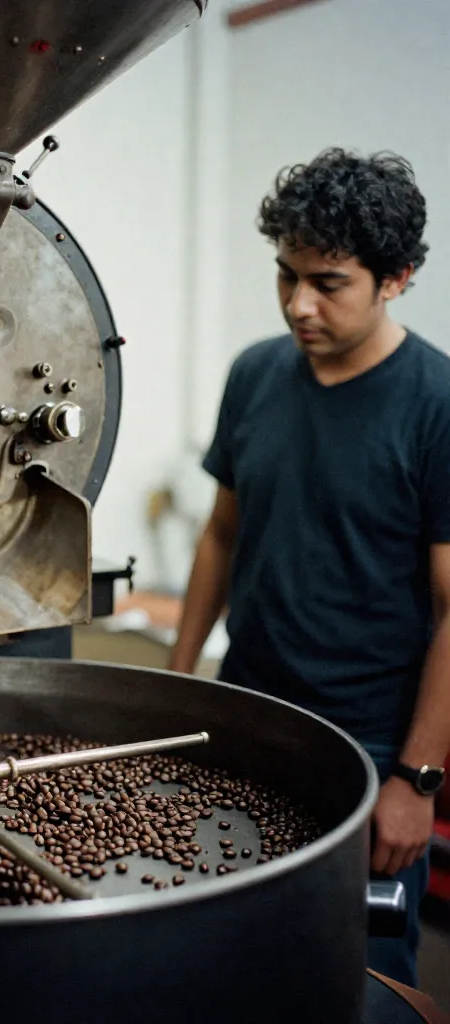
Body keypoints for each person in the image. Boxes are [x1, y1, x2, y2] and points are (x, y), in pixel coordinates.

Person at [168, 148, 449, 987]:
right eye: (286, 275)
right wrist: (177, 690)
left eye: (328, 283)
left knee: (352, 975)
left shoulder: (436, 405)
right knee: (226, 955)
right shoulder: (255, 374)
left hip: (366, 745)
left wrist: (416, 780)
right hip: (246, 713)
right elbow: (221, 537)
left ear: (395, 278)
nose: (299, 304)